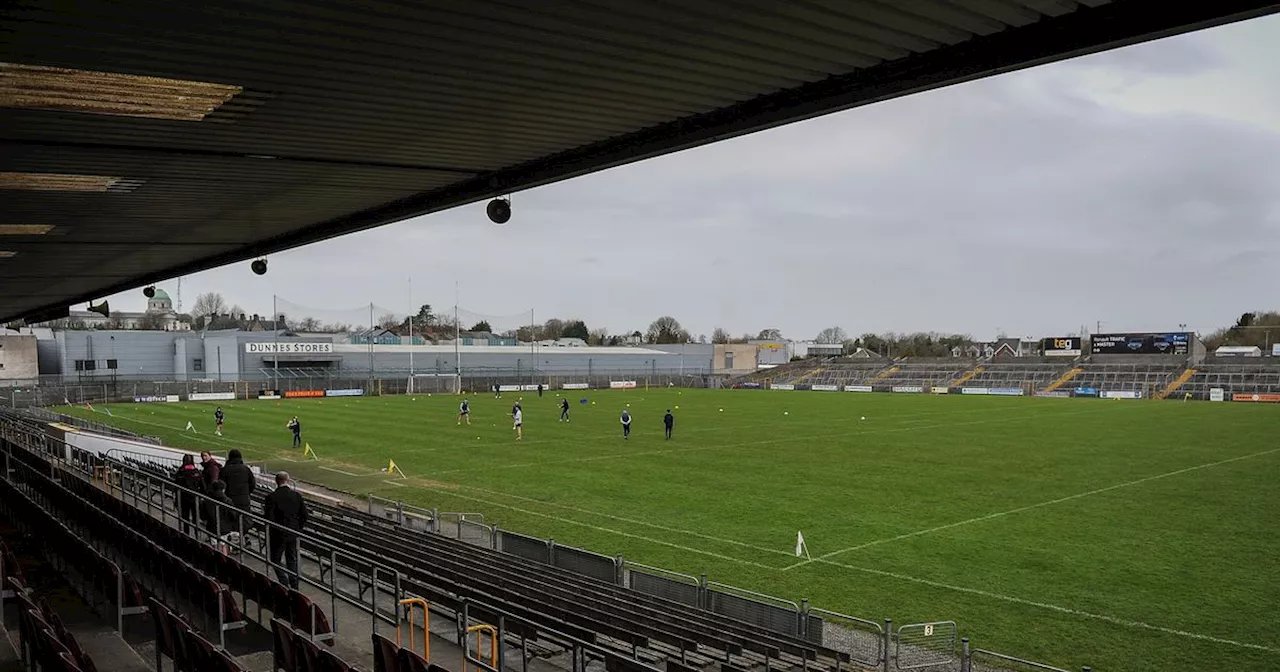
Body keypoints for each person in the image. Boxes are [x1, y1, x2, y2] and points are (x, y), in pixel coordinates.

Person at [263, 471, 307, 589]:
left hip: (278, 533)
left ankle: (284, 582)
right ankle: (294, 584)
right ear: (288, 480)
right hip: (293, 532)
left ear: (276, 482)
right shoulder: (296, 496)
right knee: (291, 558)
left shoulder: (271, 497)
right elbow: (304, 515)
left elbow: (268, 517)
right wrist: (298, 528)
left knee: (274, 559)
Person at [202, 480, 239, 550]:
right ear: (223, 489)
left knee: (215, 546)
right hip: (225, 527)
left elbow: (203, 516)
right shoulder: (228, 501)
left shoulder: (207, 500)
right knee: (224, 545)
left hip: (212, 527)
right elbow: (233, 516)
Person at [173, 454, 203, 535]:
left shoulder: (180, 472)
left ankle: (187, 534)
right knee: (195, 518)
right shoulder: (196, 472)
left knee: (185, 518)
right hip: (194, 498)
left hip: (183, 498)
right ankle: (197, 535)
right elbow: (203, 486)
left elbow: (176, 486)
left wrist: (176, 499)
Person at [220, 448, 256, 513]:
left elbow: (220, 485)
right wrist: (246, 493)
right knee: (245, 519)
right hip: (244, 500)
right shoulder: (246, 469)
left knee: (231, 519)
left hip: (230, 499)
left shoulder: (225, 470)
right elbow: (252, 484)